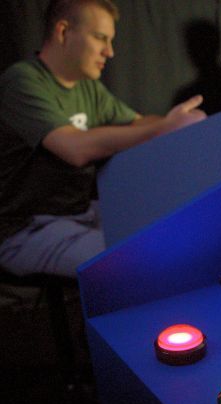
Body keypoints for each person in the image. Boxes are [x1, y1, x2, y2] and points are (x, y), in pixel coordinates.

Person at [0, 0, 206, 278]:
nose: (109, 51)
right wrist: (163, 128)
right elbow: (74, 148)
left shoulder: (89, 87)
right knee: (140, 263)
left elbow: (138, 122)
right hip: (25, 229)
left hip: (82, 213)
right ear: (63, 32)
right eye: (100, 38)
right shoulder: (21, 80)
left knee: (171, 235)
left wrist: (179, 123)